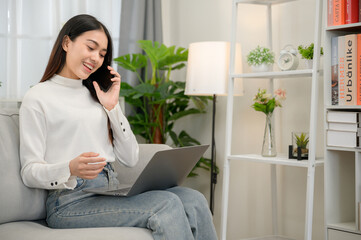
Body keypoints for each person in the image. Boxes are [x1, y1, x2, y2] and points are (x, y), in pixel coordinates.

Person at [19, 14, 218, 240]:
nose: (96, 58)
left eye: (102, 54)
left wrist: (112, 108)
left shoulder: (98, 95)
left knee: (194, 199)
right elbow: (29, 171)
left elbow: (130, 158)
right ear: (66, 43)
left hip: (108, 190)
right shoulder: (37, 97)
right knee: (166, 204)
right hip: (68, 202)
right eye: (91, 48)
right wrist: (70, 168)